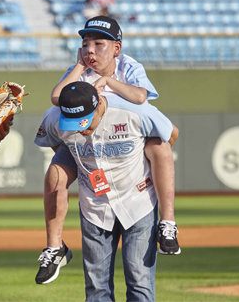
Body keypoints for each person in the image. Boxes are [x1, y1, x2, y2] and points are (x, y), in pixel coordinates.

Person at [34, 15, 180, 285]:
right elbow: (57, 98)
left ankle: (167, 222)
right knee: (55, 172)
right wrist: (79, 67)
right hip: (85, 141)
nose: (90, 49)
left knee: (158, 146)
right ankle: (55, 248)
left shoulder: (128, 67)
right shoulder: (79, 73)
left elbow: (141, 97)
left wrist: (108, 83)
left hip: (125, 140)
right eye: (85, 43)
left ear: (117, 48)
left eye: (98, 43)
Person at [45, 81, 175, 300]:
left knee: (140, 282)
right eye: (73, 122)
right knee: (97, 288)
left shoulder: (135, 112)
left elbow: (170, 136)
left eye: (84, 121)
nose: (79, 128)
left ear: (98, 107)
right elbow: (54, 143)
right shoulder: (53, 118)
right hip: (94, 207)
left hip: (138, 202)